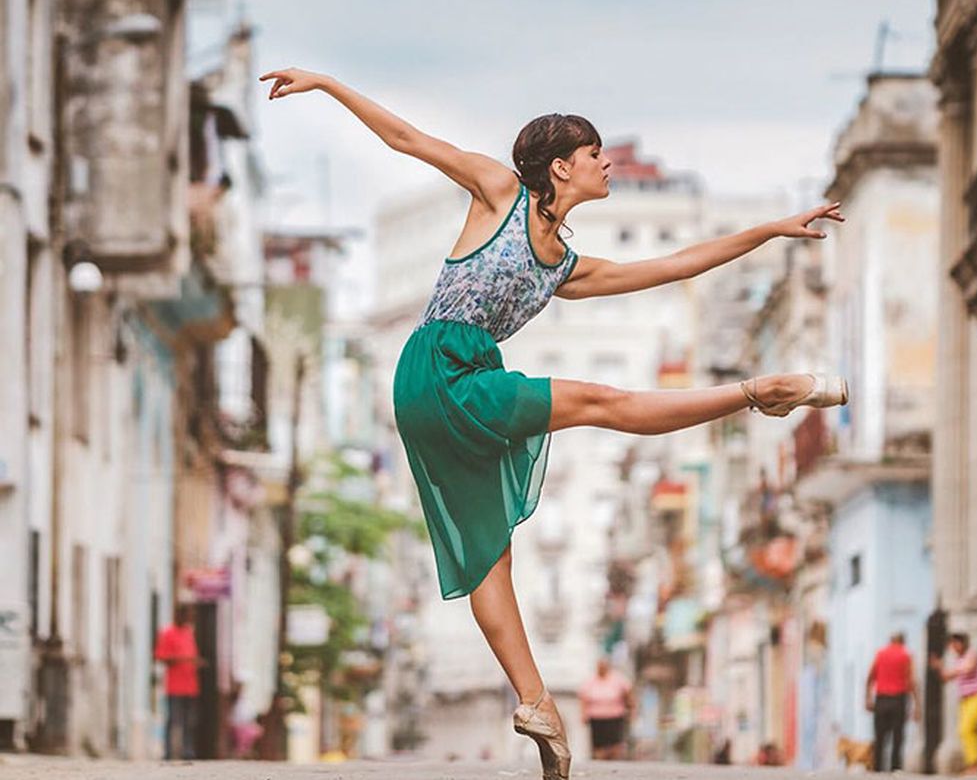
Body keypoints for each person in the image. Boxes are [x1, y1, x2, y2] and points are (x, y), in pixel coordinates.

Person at [259, 68, 849, 780]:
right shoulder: (498, 191)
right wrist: (325, 84)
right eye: (595, 153)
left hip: (444, 384)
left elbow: (674, 266)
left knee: (490, 554)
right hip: (445, 370)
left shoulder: (566, 265)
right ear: (562, 165)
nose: (607, 164)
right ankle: (761, 391)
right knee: (604, 404)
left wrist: (769, 230)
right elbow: (406, 138)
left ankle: (537, 702)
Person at [930, 632, 977, 774]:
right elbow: (946, 678)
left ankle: (974, 765)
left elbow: (968, 668)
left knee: (965, 729)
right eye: (951, 644)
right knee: (970, 732)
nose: (953, 647)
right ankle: (974, 764)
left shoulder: (971, 653)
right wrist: (939, 667)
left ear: (962, 643)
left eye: (955, 644)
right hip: (965, 701)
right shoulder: (958, 660)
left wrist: (952, 671)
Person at [865, 631, 920, 772]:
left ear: (890, 640)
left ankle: (877, 769)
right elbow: (911, 680)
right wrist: (917, 705)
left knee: (880, 737)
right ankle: (895, 769)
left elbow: (870, 677)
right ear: (903, 641)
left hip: (881, 699)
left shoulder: (880, 654)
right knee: (898, 737)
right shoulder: (906, 655)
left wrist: (868, 698)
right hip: (898, 700)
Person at [154, 603, 202, 760]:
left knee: (190, 721)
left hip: (190, 686)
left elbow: (193, 655)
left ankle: (187, 751)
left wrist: (195, 662)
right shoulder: (168, 633)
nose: (188, 619)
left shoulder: (189, 633)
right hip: (174, 686)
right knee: (174, 721)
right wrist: (182, 659)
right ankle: (168, 752)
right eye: (186, 615)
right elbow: (160, 656)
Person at [578, 656, 633, 760]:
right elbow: (583, 699)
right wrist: (583, 714)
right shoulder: (590, 681)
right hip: (596, 718)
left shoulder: (618, 680)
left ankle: (614, 760)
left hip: (614, 716)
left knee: (615, 743)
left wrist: (631, 710)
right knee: (599, 745)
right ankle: (600, 761)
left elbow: (628, 695)